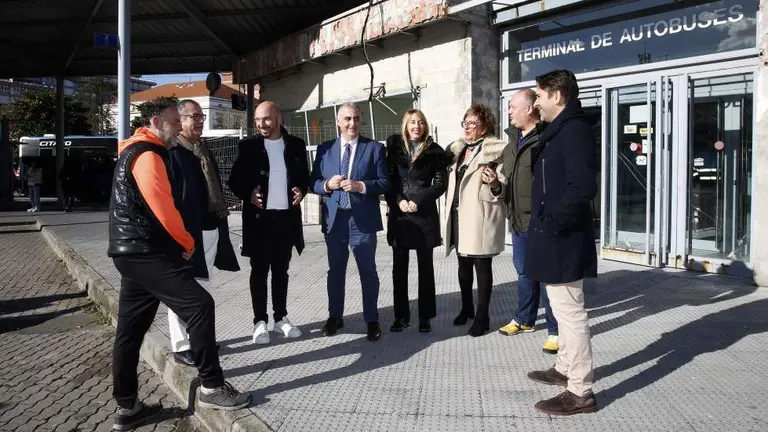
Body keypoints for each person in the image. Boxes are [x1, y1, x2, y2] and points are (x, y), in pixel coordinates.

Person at [107, 98, 249, 431]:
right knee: (200, 305)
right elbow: (163, 206)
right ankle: (212, 387)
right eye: (174, 122)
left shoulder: (134, 151)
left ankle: (127, 407)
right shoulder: (147, 154)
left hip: (130, 253)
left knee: (130, 331)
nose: (177, 129)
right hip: (144, 251)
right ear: (156, 122)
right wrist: (186, 243)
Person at [525, 69, 598, 415]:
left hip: (564, 237)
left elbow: (582, 187)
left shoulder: (574, 131)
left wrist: (553, 222)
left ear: (557, 96)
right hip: (555, 236)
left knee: (570, 313)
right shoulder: (558, 131)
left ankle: (581, 390)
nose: (535, 103)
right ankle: (565, 367)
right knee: (561, 307)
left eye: (539, 96)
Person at [228, 101, 309, 345]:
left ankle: (280, 318)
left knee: (281, 271)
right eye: (257, 120)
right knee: (259, 271)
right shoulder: (248, 147)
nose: (261, 124)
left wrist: (302, 190)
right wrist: (249, 194)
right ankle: (259, 321)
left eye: (266, 119)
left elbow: (304, 177)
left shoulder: (296, 145)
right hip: (259, 221)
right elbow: (233, 181)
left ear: (278, 118)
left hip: (286, 219)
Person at [167, 99, 240, 365]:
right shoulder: (173, 153)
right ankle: (181, 345)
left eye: (201, 117)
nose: (199, 121)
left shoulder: (202, 149)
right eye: (194, 117)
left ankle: (199, 339)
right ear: (180, 120)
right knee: (183, 288)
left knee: (202, 287)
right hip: (187, 233)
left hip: (211, 227)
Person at [310, 103, 389, 342]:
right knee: (335, 270)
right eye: (347, 119)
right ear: (338, 121)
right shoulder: (325, 149)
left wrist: (361, 186)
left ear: (361, 120)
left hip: (361, 220)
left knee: (368, 271)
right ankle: (335, 317)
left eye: (355, 118)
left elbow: (385, 182)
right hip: (335, 220)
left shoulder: (374, 148)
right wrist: (327, 185)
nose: (352, 123)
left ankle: (372, 320)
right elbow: (313, 182)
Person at [499, 89, 560, 354]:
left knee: (547, 277)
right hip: (517, 219)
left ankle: (556, 331)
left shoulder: (546, 139)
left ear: (528, 109)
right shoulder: (512, 142)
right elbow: (510, 182)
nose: (509, 111)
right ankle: (524, 319)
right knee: (524, 272)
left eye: (513, 107)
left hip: (540, 221)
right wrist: (495, 185)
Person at [442, 104, 507, 337]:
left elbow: (502, 185)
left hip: (479, 214)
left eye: (472, 123)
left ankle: (482, 316)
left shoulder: (496, 150)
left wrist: (494, 183)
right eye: (465, 123)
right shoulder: (458, 149)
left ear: (485, 126)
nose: (467, 127)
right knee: (463, 264)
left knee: (481, 265)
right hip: (458, 213)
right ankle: (466, 308)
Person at [385, 109, 452, 333]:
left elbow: (440, 184)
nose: (417, 126)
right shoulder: (394, 150)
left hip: (424, 217)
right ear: (406, 125)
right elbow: (389, 182)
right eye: (412, 122)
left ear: (425, 125)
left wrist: (418, 200)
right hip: (400, 218)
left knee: (426, 270)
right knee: (399, 270)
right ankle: (401, 316)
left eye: (421, 122)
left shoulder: (435, 151)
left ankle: (426, 316)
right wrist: (399, 201)